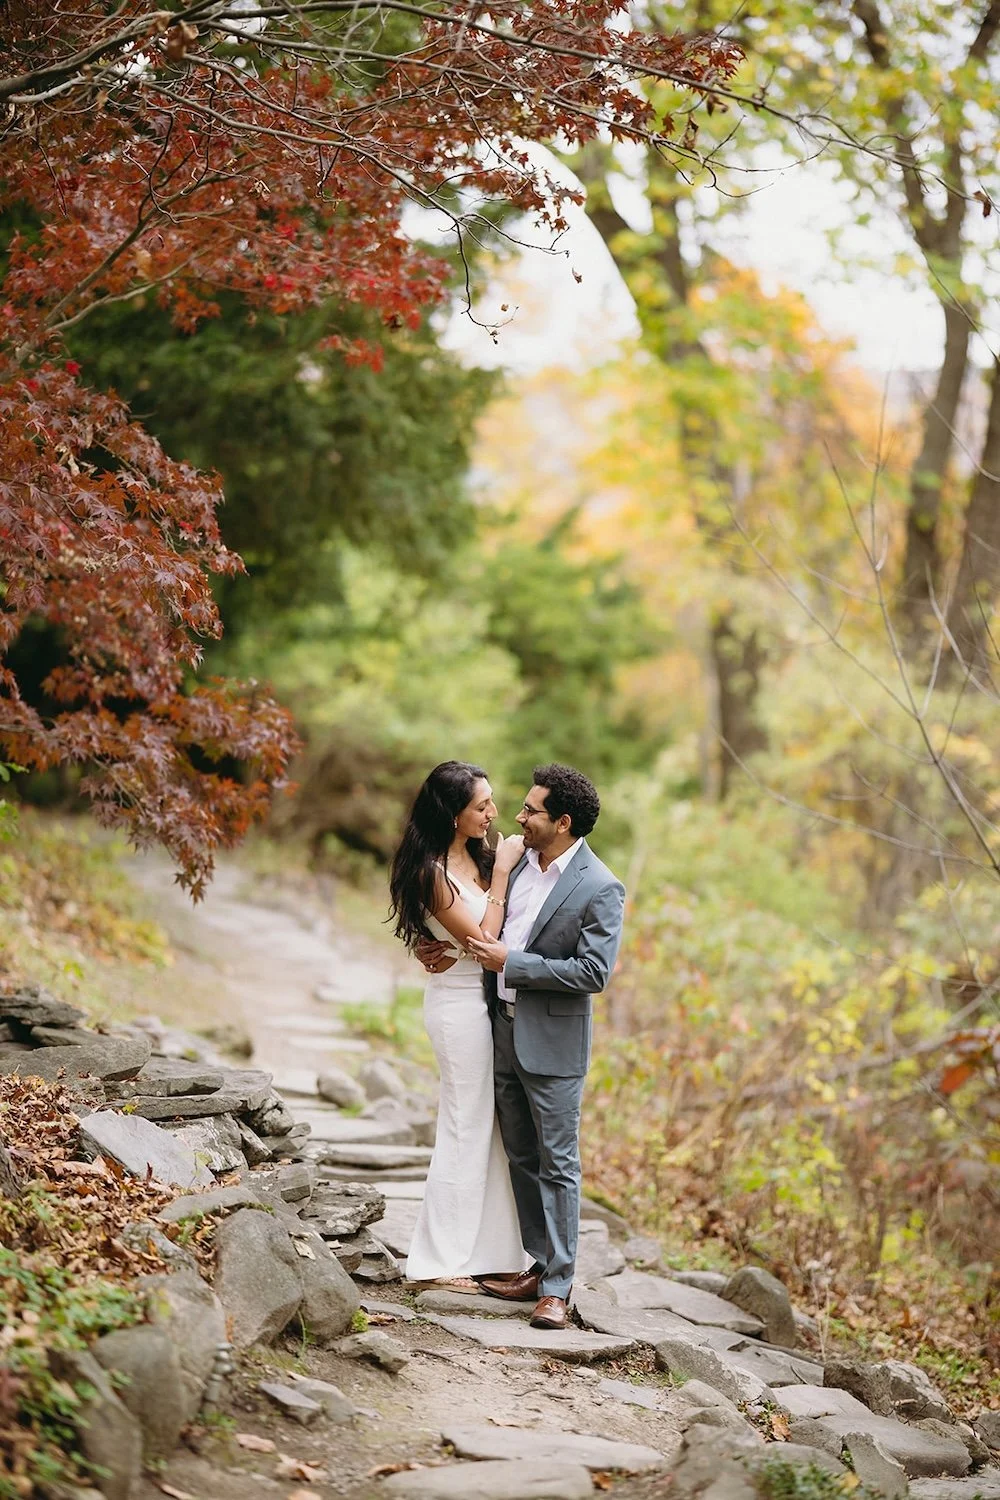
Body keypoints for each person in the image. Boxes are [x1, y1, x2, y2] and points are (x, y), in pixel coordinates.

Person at [418, 763, 625, 1331]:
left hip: (554, 1042)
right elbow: (465, 915)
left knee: (558, 1163)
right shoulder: (507, 863)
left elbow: (593, 972)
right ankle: (537, 1264)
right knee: (521, 1156)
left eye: (531, 810)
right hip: (500, 1029)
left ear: (563, 822)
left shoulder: (600, 886)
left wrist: (514, 962)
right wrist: (432, 946)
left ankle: (557, 1287)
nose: (517, 816)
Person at [388, 760, 530, 1289]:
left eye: (491, 801)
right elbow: (484, 942)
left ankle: (492, 1252)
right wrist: (503, 876)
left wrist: (500, 869)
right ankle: (438, 1260)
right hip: (457, 1006)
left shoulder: (482, 856)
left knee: (491, 1127)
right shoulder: (432, 872)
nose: (493, 812)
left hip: (491, 1001)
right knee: (464, 1123)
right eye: (482, 805)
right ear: (453, 814)